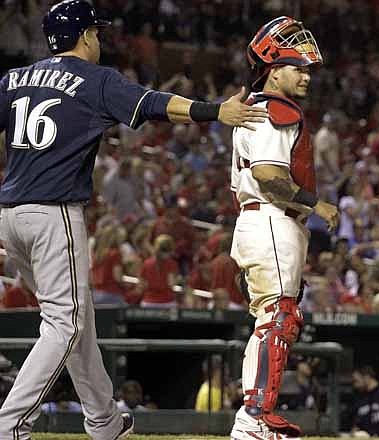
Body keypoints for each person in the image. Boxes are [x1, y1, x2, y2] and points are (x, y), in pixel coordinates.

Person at [0, 1, 266, 439]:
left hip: (11, 216)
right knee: (65, 323)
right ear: (85, 37)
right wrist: (214, 110)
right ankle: (10, 425)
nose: (99, 40)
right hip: (53, 214)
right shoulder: (94, 78)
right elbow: (155, 104)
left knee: (74, 318)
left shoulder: (14, 78)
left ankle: (104, 422)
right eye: (97, 34)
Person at [228, 16, 339, 440]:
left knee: (273, 319)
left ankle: (256, 414)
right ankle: (254, 415)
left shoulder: (254, 107)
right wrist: (317, 204)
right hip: (273, 218)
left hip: (259, 220)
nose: (306, 75)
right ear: (275, 71)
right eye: (298, 67)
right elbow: (271, 174)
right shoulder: (278, 109)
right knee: (277, 318)